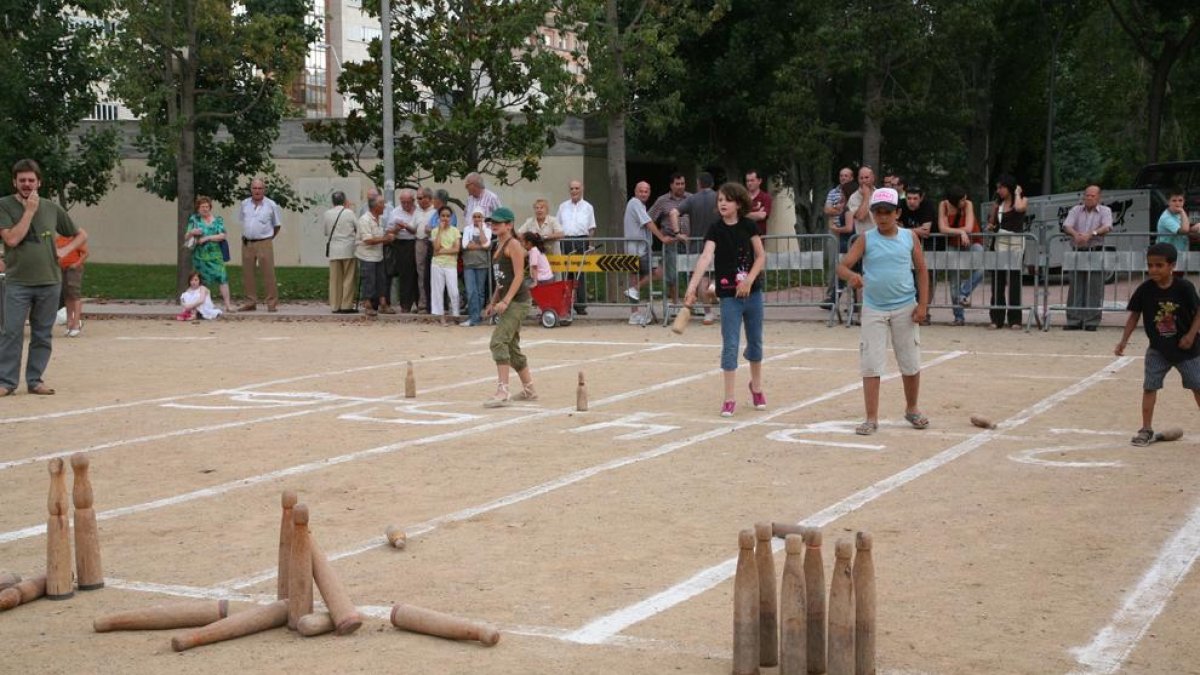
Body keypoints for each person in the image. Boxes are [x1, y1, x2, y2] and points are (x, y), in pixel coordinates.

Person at [837, 187, 930, 436]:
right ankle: (871, 417)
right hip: (874, 308)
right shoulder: (865, 239)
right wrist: (851, 276)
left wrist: (922, 305)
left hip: (905, 306)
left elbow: (922, 270)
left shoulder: (910, 237)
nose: (882, 217)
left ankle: (912, 408)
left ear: (897, 213)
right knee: (871, 363)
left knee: (910, 361)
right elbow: (842, 266)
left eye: (887, 212)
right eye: (878, 212)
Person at [0, 158, 87, 397]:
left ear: (39, 182)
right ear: (14, 182)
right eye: (22, 180)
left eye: (31, 180)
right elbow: (12, 239)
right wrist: (29, 211)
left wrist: (65, 251)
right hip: (17, 282)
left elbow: (81, 234)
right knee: (11, 332)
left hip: (49, 281)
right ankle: (6, 382)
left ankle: (35, 380)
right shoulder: (4, 206)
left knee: (42, 334)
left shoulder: (51, 208)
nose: (27, 184)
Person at [683, 182, 766, 417]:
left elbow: (761, 256)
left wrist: (749, 280)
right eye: (720, 200)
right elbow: (705, 257)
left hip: (753, 294)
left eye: (727, 200)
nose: (722, 203)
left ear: (738, 203)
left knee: (755, 342)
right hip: (729, 297)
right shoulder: (715, 229)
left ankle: (756, 387)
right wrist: (692, 287)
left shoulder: (749, 226)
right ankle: (729, 398)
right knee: (730, 345)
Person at [1114, 243, 1200, 446]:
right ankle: (1146, 429)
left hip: (1187, 350)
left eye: (1159, 265)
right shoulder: (1145, 289)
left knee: (1197, 386)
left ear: (1172, 266)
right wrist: (1123, 341)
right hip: (1158, 349)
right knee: (1150, 387)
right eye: (1150, 265)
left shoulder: (1184, 288)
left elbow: (1198, 312)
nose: (1153, 270)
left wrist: (1190, 335)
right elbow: (1134, 315)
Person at [483, 207, 536, 407]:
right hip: (509, 300)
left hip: (518, 301)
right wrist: (493, 301)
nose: (494, 225)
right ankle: (530, 390)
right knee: (512, 347)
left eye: (499, 222)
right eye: (493, 222)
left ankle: (502, 391)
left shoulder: (513, 244)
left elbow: (519, 275)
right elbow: (501, 280)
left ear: (509, 225)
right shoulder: (498, 245)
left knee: (498, 341)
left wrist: (506, 301)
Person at [670, 172, 721, 324]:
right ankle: (714, 287)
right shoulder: (719, 197)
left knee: (701, 280)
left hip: (697, 246)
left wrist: (677, 233)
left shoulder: (692, 199)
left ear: (698, 184)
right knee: (721, 273)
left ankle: (708, 313)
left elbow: (673, 212)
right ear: (712, 184)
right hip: (718, 244)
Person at [1063, 184, 1113, 331]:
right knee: (1075, 286)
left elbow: (1107, 226)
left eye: (1092, 196)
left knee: (1095, 286)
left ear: (1099, 197)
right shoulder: (1076, 210)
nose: (1089, 198)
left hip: (1096, 251)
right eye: (1087, 195)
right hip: (1078, 251)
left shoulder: (1105, 210)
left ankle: (1091, 321)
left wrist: (1091, 234)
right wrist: (1075, 235)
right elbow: (1067, 225)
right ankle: (1074, 320)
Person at [624, 181, 670, 325]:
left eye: (646, 191)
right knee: (659, 272)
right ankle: (634, 289)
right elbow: (648, 223)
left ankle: (634, 314)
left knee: (634, 277)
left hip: (634, 249)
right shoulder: (635, 203)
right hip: (638, 249)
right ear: (635, 192)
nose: (643, 194)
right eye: (641, 191)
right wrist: (662, 237)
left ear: (649, 193)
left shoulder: (637, 205)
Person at [986, 175, 1028, 329]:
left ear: (1009, 187)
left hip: (1016, 244)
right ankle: (996, 318)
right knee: (998, 281)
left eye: (1001, 187)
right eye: (997, 188)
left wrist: (1017, 193)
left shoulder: (1022, 200)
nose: (999, 191)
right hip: (1000, 243)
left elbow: (1019, 209)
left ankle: (1015, 319)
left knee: (1015, 281)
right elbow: (991, 223)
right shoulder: (997, 204)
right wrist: (991, 225)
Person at [938, 187, 983, 326]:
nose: (965, 201)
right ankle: (959, 317)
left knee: (981, 267)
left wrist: (959, 232)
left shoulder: (968, 204)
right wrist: (961, 232)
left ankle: (963, 293)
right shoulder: (944, 205)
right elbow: (942, 228)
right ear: (954, 201)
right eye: (962, 200)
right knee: (954, 280)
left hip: (973, 241)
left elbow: (969, 228)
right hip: (953, 244)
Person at [237, 178, 283, 312]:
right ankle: (250, 302)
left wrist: (269, 237)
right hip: (247, 242)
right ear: (251, 189)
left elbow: (277, 225)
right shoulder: (244, 204)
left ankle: (271, 303)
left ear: (264, 190)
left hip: (264, 242)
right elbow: (243, 221)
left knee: (268, 273)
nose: (257, 191)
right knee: (248, 273)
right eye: (255, 188)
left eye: (260, 188)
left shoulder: (271, 205)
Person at [648, 173, 691, 306]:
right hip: (671, 241)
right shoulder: (662, 200)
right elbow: (649, 218)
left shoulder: (691, 198)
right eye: (677, 184)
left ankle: (691, 303)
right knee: (672, 274)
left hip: (689, 240)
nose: (680, 186)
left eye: (682, 183)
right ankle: (675, 303)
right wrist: (660, 235)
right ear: (671, 185)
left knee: (691, 272)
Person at [556, 179, 597, 315]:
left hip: (581, 240)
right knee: (566, 273)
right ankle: (566, 304)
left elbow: (591, 228)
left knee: (580, 274)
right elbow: (558, 225)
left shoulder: (588, 207)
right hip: (566, 241)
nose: (574, 191)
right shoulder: (562, 206)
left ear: (582, 189)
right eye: (572, 188)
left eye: (577, 188)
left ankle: (580, 305)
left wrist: (590, 245)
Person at [186, 195, 232, 315]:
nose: (205, 209)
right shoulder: (194, 219)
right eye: (202, 207)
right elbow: (186, 236)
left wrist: (207, 238)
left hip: (216, 255)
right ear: (198, 208)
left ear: (210, 207)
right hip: (200, 255)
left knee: (223, 278)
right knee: (202, 281)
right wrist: (192, 232)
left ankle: (228, 305)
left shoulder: (218, 220)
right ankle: (203, 307)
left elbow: (222, 235)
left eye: (207, 206)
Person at [899, 186, 936, 325]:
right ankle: (909, 312)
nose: (911, 202)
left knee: (927, 279)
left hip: (930, 246)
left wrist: (904, 230)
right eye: (909, 198)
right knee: (909, 279)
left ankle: (924, 312)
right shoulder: (900, 205)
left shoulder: (927, 206)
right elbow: (895, 226)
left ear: (921, 198)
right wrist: (915, 231)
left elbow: (925, 231)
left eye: (915, 198)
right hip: (908, 245)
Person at [355, 193, 394, 317]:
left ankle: (383, 304)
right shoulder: (364, 220)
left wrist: (390, 236)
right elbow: (368, 240)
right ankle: (367, 305)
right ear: (375, 206)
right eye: (382, 203)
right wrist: (385, 239)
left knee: (381, 280)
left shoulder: (380, 219)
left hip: (378, 255)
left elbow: (380, 237)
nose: (384, 206)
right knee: (369, 280)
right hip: (367, 256)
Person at [321, 191, 358, 314]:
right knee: (349, 277)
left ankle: (335, 305)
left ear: (333, 201)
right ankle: (346, 305)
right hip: (348, 248)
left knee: (335, 279)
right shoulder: (349, 212)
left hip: (334, 249)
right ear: (344, 200)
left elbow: (326, 232)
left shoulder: (327, 214)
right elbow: (357, 227)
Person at [387, 189, 420, 312]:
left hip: (417, 242)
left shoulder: (419, 210)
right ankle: (405, 305)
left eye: (408, 202)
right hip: (402, 244)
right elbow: (389, 231)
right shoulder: (395, 212)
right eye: (403, 202)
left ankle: (420, 303)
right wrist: (397, 228)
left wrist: (408, 226)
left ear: (413, 201)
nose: (405, 205)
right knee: (405, 274)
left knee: (419, 274)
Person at [430, 205, 462, 326]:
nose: (445, 218)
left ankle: (456, 314)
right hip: (437, 264)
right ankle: (441, 317)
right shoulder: (435, 231)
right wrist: (439, 230)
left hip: (450, 264)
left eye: (448, 216)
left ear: (451, 217)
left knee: (454, 291)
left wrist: (442, 251)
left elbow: (456, 249)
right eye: (443, 216)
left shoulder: (455, 231)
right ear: (439, 217)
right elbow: (436, 248)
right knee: (438, 291)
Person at [460, 207, 492, 326]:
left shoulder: (487, 230)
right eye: (475, 216)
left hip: (482, 264)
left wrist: (481, 230)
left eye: (479, 216)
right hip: (469, 264)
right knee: (471, 291)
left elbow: (486, 244)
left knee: (480, 292)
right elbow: (465, 245)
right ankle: (474, 317)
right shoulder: (467, 229)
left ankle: (476, 317)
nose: (477, 219)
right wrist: (481, 246)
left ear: (483, 218)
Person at [56, 224, 89, 337]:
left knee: (75, 295)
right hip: (62, 268)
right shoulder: (59, 239)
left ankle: (76, 323)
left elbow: (85, 253)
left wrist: (76, 264)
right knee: (67, 295)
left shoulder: (76, 238)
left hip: (73, 269)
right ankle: (69, 323)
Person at [413, 187, 439, 313]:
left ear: (428, 198)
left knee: (433, 273)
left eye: (420, 198)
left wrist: (431, 230)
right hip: (419, 242)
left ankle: (434, 304)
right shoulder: (416, 211)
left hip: (432, 243)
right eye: (417, 198)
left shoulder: (436, 211)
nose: (418, 201)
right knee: (421, 273)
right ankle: (422, 303)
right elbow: (413, 228)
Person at [1156, 188, 1191, 256]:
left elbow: (1185, 227)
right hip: (1167, 255)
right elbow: (1184, 230)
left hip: (1180, 253)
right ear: (1168, 202)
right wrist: (1182, 211)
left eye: (1180, 200)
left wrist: (1195, 227)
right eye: (1174, 201)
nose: (1177, 203)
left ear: (1184, 201)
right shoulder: (1166, 217)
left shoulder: (1179, 214)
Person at [745, 169, 773, 237]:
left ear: (759, 181)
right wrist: (757, 213)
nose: (749, 183)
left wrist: (744, 214)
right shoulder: (741, 197)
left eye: (752, 180)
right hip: (743, 237)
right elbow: (736, 216)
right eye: (747, 181)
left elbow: (762, 216)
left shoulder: (765, 197)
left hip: (759, 237)